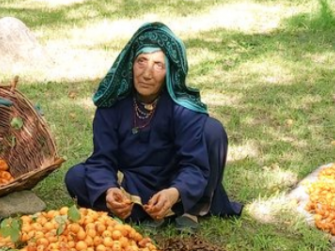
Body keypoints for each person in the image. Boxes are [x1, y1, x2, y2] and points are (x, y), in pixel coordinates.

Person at [65, 22, 242, 231]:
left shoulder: (182, 108)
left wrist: (175, 192)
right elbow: (102, 159)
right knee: (76, 176)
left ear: (170, 72)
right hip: (133, 182)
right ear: (131, 64)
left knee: (212, 130)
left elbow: (194, 165)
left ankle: (187, 208)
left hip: (173, 181)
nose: (147, 74)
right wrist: (109, 189)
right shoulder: (111, 105)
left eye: (158, 65)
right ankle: (140, 209)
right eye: (141, 61)